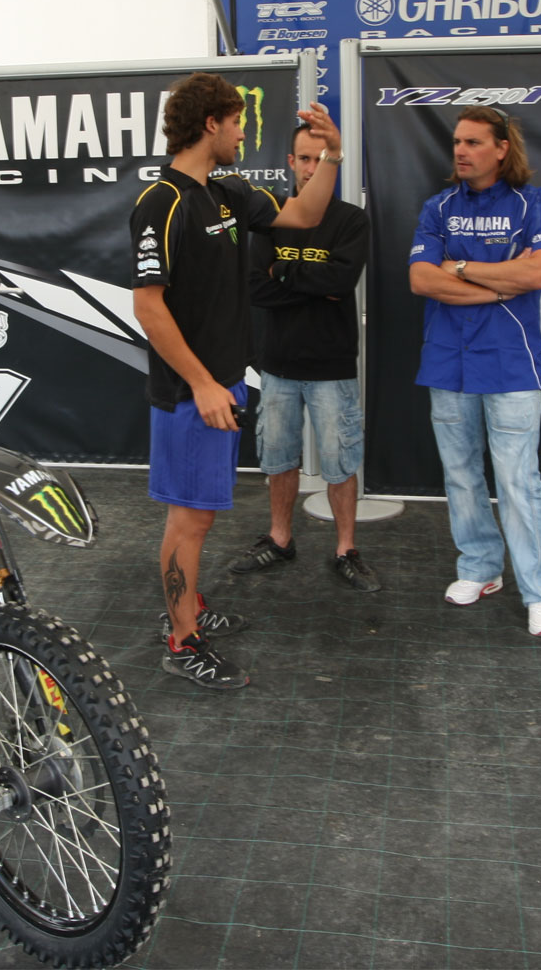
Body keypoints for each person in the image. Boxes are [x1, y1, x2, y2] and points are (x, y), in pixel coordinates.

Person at [131, 73, 343, 688]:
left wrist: (332, 154)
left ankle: (190, 609)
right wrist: (201, 384)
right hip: (189, 393)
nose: (243, 135)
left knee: (200, 515)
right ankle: (181, 641)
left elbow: (305, 213)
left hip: (223, 385)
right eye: (237, 123)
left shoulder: (229, 190)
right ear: (210, 125)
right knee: (189, 519)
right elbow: (148, 307)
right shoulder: (160, 202)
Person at [407, 105, 541, 637]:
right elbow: (422, 280)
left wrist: (460, 267)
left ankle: (540, 592)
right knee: (461, 475)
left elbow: (536, 273)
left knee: (519, 482)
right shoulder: (437, 207)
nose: (461, 150)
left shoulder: (533, 203)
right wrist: (499, 285)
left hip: (511, 362)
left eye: (474, 142)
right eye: (457, 141)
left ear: (501, 148)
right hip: (447, 361)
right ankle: (480, 567)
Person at [234, 124, 379, 591]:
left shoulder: (351, 220)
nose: (311, 168)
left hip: (331, 365)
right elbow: (256, 289)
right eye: (303, 159)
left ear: (333, 163)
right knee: (278, 458)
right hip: (277, 365)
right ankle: (280, 539)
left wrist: (283, 271)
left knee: (340, 462)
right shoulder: (274, 218)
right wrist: (311, 282)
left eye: (320, 158)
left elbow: (340, 283)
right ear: (291, 162)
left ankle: (346, 549)